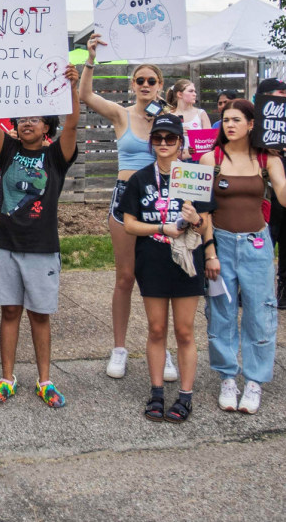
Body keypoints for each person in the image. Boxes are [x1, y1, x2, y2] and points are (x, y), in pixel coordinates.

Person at [0, 61, 80, 408]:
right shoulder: (7, 150)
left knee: (39, 315)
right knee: (9, 313)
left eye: (35, 118)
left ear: (47, 125)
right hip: (5, 247)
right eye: (21, 118)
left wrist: (73, 89)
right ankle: (7, 378)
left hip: (42, 249)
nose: (26, 122)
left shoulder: (56, 156)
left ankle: (45, 381)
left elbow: (74, 123)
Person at [80, 34, 179, 382]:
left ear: (161, 85)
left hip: (160, 197)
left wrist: (168, 119)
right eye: (140, 80)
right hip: (126, 195)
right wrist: (91, 58)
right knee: (125, 277)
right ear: (132, 85)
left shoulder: (170, 119)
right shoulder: (121, 115)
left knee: (161, 277)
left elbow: (189, 154)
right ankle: (119, 348)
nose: (146, 85)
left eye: (152, 81)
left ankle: (162, 348)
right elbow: (86, 96)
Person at [199, 99, 286, 414]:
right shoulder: (210, 159)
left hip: (257, 246)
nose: (229, 125)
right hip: (221, 243)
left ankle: (255, 382)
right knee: (221, 313)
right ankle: (228, 379)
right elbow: (202, 210)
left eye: (236, 119)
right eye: (225, 119)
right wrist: (209, 250)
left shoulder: (265, 159)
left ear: (251, 124)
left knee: (261, 315)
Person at [120, 114, 213, 423]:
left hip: (187, 261)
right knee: (156, 328)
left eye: (170, 138)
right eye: (157, 138)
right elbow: (130, 223)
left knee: (185, 331)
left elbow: (206, 224)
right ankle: (157, 391)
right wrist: (161, 225)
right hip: (153, 260)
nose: (163, 143)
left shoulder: (195, 176)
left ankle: (185, 395)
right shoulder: (140, 179)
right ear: (151, 143)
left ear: (180, 143)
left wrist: (195, 220)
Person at [255, 78, 286, 309]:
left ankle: (285, 288)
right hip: (265, 191)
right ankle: (255, 288)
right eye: (282, 92)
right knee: (265, 239)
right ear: (267, 96)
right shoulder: (254, 122)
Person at [165, 79, 210, 160]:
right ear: (180, 94)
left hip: (197, 161)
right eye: (191, 91)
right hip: (175, 160)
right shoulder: (169, 116)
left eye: (195, 91)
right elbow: (163, 140)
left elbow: (209, 141)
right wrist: (176, 132)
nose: (195, 94)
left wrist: (194, 135)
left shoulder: (200, 113)